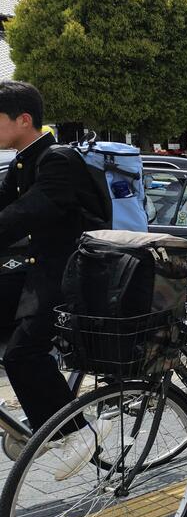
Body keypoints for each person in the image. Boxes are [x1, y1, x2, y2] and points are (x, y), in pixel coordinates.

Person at [0, 82, 110, 478]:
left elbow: (25, 213)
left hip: (74, 272)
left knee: (22, 354)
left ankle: (76, 431)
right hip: (42, 265)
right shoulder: (21, 161)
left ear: (23, 120)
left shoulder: (57, 160)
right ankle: (37, 412)